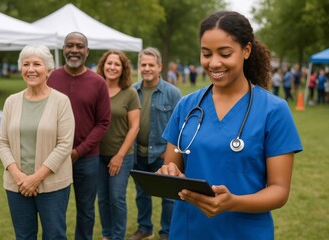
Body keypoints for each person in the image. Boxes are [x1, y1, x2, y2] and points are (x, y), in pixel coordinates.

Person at [157, 11, 302, 240]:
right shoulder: (187, 106)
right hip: (188, 230)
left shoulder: (274, 110)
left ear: (246, 51)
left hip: (245, 232)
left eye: (224, 53)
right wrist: (169, 172)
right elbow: (171, 167)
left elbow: (279, 191)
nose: (214, 63)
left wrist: (233, 202)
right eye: (206, 54)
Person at [0, 44, 75, 239]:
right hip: (17, 185)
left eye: (37, 64)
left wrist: (35, 178)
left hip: (53, 185)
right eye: (26, 64)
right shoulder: (11, 102)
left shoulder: (61, 101)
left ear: (48, 70)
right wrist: (19, 177)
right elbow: (3, 142)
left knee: (54, 235)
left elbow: (65, 144)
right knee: (23, 236)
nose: (31, 69)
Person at [47, 32, 111, 240]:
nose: (74, 50)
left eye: (79, 46)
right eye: (70, 45)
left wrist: (78, 152)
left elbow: (103, 123)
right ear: (63, 49)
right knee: (54, 210)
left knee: (86, 211)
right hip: (54, 157)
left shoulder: (98, 82)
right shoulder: (52, 78)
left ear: (87, 51)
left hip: (87, 158)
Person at [130, 47, 182, 240]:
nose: (147, 68)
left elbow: (181, 127)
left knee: (169, 197)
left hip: (163, 154)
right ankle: (145, 228)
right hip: (138, 154)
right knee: (141, 195)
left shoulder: (173, 93)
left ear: (159, 67)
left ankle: (167, 232)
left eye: (151, 65)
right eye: (143, 64)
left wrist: (170, 153)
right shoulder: (132, 91)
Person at [96, 50, 141, 240]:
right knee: (103, 198)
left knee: (117, 198)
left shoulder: (129, 93)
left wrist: (119, 156)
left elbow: (135, 127)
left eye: (117, 64)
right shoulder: (96, 89)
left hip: (122, 154)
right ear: (103, 66)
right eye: (109, 63)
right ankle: (107, 235)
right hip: (96, 155)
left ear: (123, 69)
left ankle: (117, 236)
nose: (112, 67)